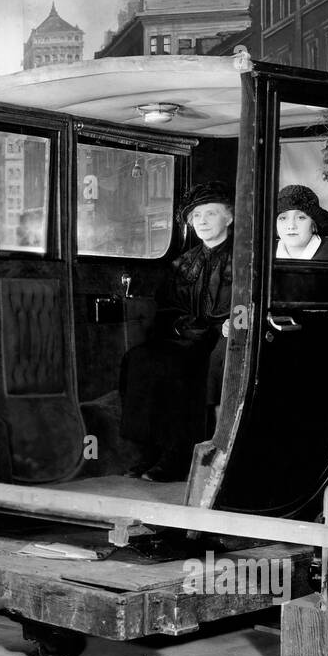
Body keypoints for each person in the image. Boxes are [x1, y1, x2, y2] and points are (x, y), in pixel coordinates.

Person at [119, 182, 235, 482]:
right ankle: (147, 449)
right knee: (141, 359)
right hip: (187, 333)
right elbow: (167, 309)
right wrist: (183, 327)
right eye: (197, 216)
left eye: (211, 214)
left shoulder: (243, 259)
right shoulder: (183, 264)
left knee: (181, 366)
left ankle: (178, 454)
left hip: (221, 337)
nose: (203, 221)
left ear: (230, 217)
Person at [275, 184, 328, 260]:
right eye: (283, 218)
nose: (291, 226)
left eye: (301, 218)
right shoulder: (265, 253)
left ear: (313, 225)